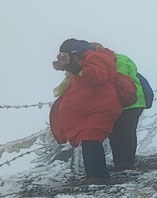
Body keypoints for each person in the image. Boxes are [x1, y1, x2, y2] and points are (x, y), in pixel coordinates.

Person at [49, 39, 122, 185]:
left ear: (73, 52)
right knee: (88, 138)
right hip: (92, 106)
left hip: (100, 105)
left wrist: (73, 67)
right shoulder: (83, 60)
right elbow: (84, 77)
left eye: (65, 55)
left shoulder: (93, 56)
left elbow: (98, 75)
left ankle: (99, 176)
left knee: (91, 137)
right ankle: (94, 175)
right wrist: (67, 67)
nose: (63, 58)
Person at [106, 49, 147, 170]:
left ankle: (126, 162)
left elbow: (119, 81)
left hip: (130, 100)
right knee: (119, 131)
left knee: (125, 131)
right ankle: (121, 162)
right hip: (133, 99)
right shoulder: (120, 58)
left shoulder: (117, 61)